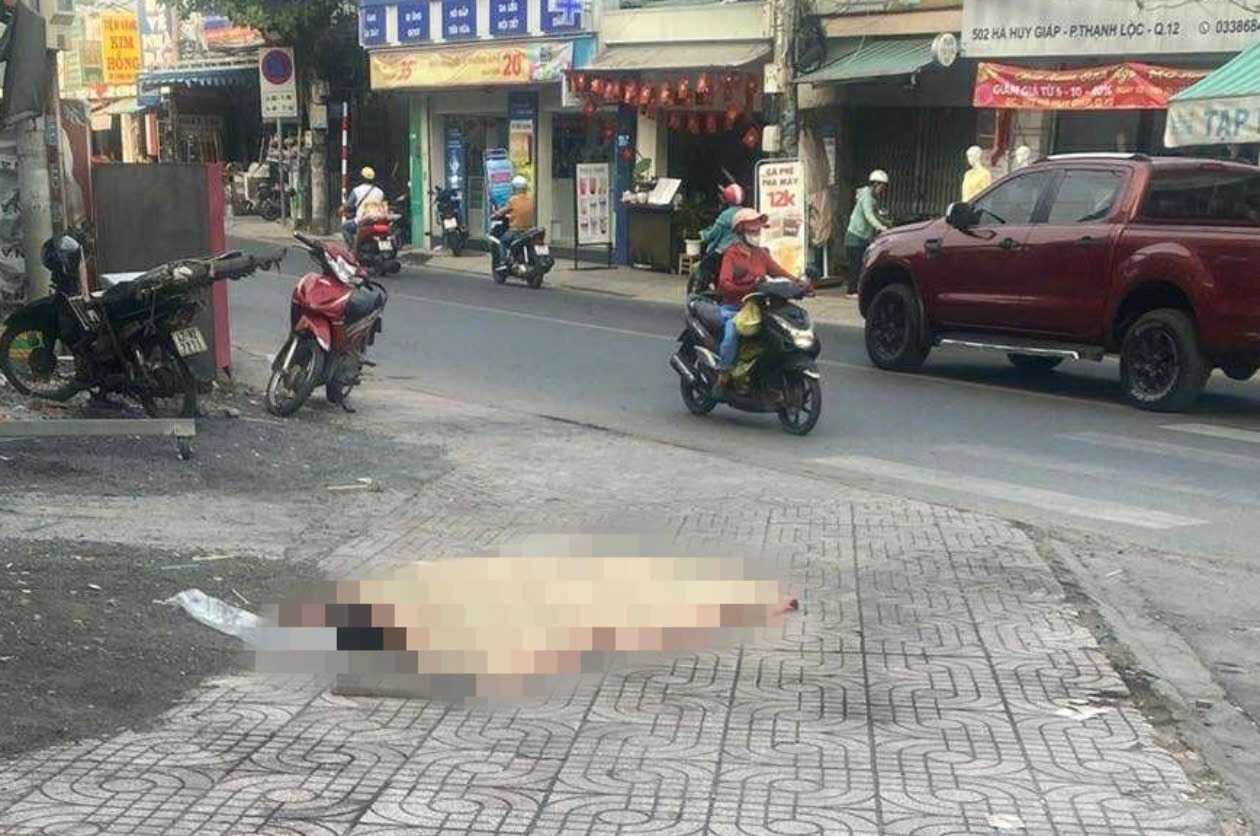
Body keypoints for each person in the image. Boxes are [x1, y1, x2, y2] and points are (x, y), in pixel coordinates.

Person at [713, 208, 804, 391]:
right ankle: (723, 374)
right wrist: (747, 289)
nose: (756, 235)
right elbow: (724, 284)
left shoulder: (761, 254)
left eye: (758, 231)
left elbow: (778, 272)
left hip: (759, 308)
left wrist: (800, 284)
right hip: (735, 309)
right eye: (752, 232)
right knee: (732, 333)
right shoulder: (732, 254)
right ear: (741, 232)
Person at [692, 184, 746, 294]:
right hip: (744, 253)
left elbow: (713, 234)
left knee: (704, 266)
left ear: (727, 198)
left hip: (724, 252)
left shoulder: (725, 215)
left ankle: (698, 293)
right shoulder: (747, 213)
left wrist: (703, 234)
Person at [844, 170, 890, 297]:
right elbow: (869, 215)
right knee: (855, 266)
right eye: (881, 186)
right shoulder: (866, 197)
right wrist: (881, 227)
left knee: (861, 265)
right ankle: (851, 291)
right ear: (875, 184)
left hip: (863, 238)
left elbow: (876, 215)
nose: (882, 190)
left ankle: (857, 289)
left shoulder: (872, 199)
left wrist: (888, 223)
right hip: (855, 237)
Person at [492, 175, 535, 274]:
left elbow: (503, 211)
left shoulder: (513, 200)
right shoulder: (531, 198)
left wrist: (494, 215)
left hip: (517, 229)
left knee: (503, 242)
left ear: (515, 188)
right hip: (530, 230)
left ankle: (503, 262)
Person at [343, 167, 385, 247]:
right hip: (377, 220)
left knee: (345, 227)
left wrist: (344, 209)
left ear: (361, 178)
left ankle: (352, 249)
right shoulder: (380, 192)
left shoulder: (357, 190)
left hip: (362, 221)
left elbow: (348, 205)